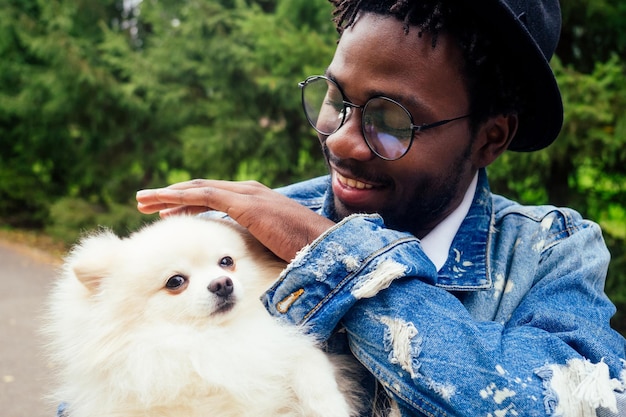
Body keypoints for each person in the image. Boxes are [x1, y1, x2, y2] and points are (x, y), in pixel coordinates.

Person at [136, 1, 626, 415]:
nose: (343, 142)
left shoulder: (549, 254)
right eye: (335, 98)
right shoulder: (233, 245)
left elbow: (575, 400)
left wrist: (330, 253)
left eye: (393, 120)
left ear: (490, 139)